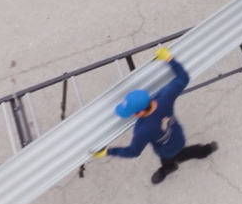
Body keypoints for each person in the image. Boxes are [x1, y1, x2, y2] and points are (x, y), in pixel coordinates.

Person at [91, 47, 218, 184]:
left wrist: (108, 151)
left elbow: (133, 152)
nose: (131, 115)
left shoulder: (143, 130)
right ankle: (205, 150)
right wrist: (169, 58)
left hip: (165, 150)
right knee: (183, 152)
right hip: (178, 136)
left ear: (140, 112)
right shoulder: (164, 97)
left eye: (131, 113)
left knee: (172, 158)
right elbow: (183, 78)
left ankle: (169, 167)